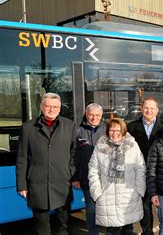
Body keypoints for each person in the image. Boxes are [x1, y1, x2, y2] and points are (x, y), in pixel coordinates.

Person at [16, 92, 76, 235]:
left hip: (63, 184)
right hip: (38, 185)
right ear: (41, 107)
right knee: (41, 227)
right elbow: (22, 158)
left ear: (60, 108)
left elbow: (75, 153)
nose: (51, 109)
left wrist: (71, 174)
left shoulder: (70, 126)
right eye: (48, 106)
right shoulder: (28, 128)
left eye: (55, 107)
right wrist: (22, 184)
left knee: (64, 226)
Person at [88, 118, 146, 235]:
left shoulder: (132, 146)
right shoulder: (100, 147)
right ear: (107, 131)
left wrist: (139, 189)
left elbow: (140, 168)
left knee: (128, 230)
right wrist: (96, 192)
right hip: (107, 196)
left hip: (129, 195)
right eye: (112, 130)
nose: (114, 133)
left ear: (123, 131)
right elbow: (93, 170)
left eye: (118, 130)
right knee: (112, 231)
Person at [127, 97, 162, 235]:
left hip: (158, 173)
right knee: (145, 206)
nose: (149, 110)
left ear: (157, 110)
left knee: (161, 205)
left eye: (152, 108)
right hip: (138, 173)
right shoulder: (131, 127)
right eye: (146, 107)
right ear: (141, 109)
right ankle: (147, 232)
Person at [71, 103, 106, 235]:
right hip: (87, 178)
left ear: (101, 115)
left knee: (107, 208)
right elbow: (72, 156)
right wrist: (74, 177)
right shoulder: (77, 131)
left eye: (97, 115)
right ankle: (93, 232)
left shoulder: (107, 129)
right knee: (91, 209)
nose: (94, 118)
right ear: (86, 114)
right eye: (91, 114)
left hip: (106, 178)